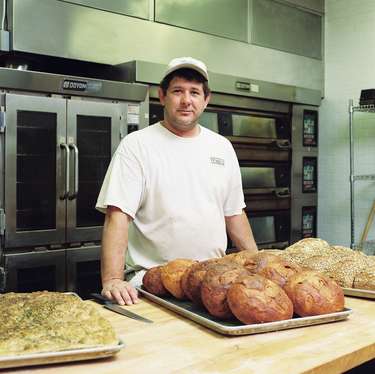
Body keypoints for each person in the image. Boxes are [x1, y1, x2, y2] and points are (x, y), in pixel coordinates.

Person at [96, 56, 258, 306]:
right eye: (177, 91)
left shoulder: (222, 147)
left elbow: (234, 215)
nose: (186, 100)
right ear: (161, 96)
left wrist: (257, 263)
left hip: (211, 282)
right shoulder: (137, 146)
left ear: (206, 100)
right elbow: (118, 215)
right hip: (153, 283)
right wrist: (113, 279)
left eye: (194, 92)